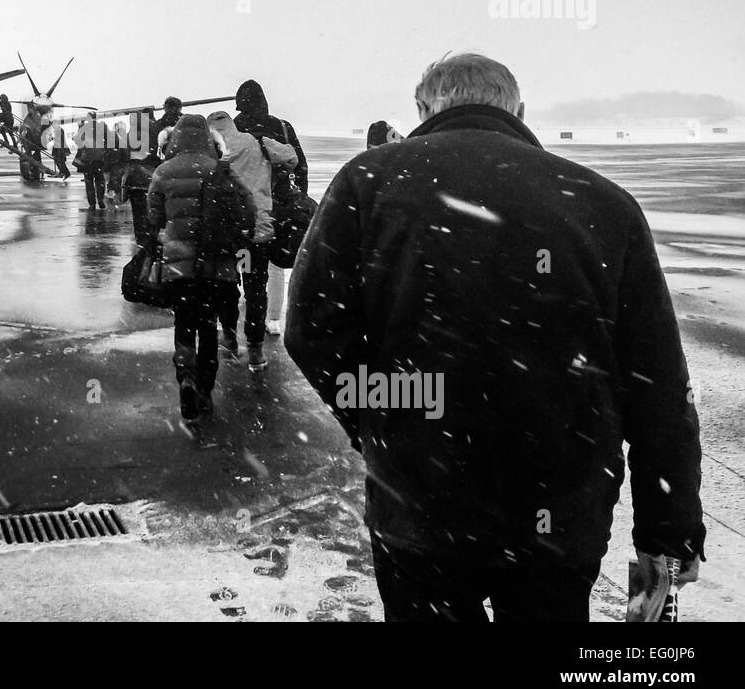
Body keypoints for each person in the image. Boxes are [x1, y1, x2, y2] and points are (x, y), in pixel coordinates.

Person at [284, 53, 705, 621]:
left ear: (422, 109)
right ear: (519, 111)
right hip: (557, 513)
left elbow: (312, 332)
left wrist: (388, 414)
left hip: (422, 502)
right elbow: (656, 382)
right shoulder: (602, 203)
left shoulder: (369, 181)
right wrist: (668, 529)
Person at [147, 114, 251, 421]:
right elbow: (249, 209)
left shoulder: (163, 171)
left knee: (184, 324)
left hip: (178, 268)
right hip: (215, 266)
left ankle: (186, 377)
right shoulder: (221, 171)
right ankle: (205, 387)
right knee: (208, 325)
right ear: (208, 139)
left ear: (176, 138)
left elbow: (153, 218)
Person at [207, 111, 297, 370]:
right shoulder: (258, 142)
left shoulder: (210, 149)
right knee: (256, 289)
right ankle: (256, 350)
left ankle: (230, 339)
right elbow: (291, 158)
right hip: (258, 231)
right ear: (233, 125)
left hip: (227, 234)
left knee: (226, 288)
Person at [234, 80, 307, 336]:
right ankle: (274, 319)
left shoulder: (235, 128)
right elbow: (301, 167)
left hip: (250, 208)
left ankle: (253, 309)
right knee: (276, 266)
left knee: (251, 266)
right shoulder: (282, 127)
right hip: (280, 207)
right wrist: (297, 200)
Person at [74, 112, 111, 209]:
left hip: (87, 159)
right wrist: (104, 151)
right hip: (99, 158)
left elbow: (79, 141)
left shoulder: (84, 128)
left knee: (89, 181)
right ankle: (100, 199)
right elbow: (109, 140)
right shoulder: (102, 127)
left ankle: (92, 203)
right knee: (100, 180)